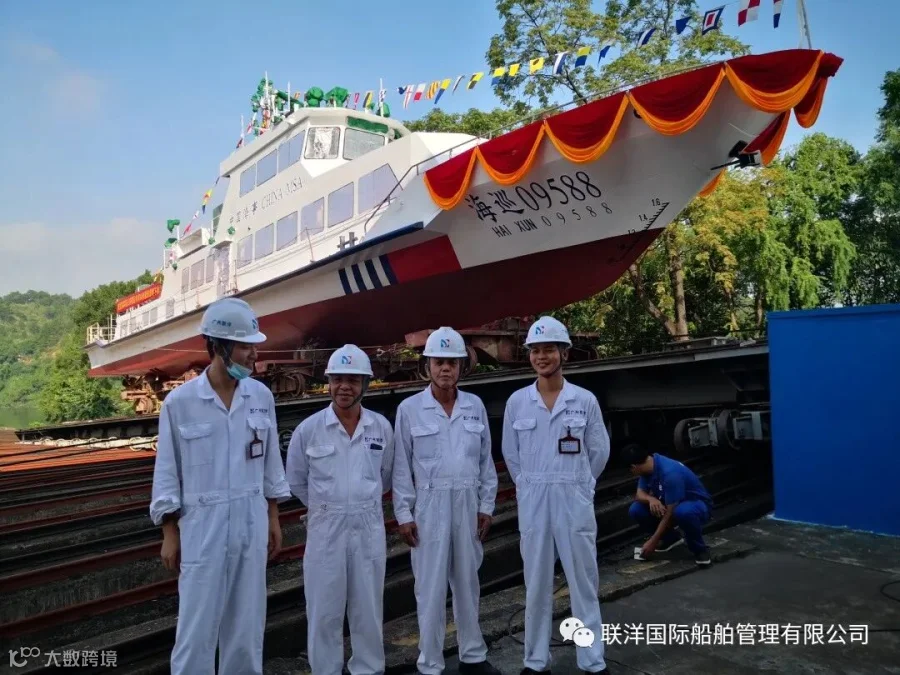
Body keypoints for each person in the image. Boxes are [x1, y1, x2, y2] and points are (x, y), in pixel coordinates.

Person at [149, 297, 291, 675]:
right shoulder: (180, 403)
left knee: (246, 626)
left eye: (253, 346)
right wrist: (169, 532)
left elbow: (270, 463)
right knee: (196, 627)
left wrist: (273, 518)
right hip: (202, 527)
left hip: (251, 520)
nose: (253, 354)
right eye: (245, 346)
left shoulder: (260, 397)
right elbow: (168, 471)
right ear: (218, 346)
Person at [501, 316, 611, 675]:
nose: (541, 356)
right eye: (535, 350)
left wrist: (581, 484)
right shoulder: (518, 402)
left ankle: (592, 661)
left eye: (549, 349)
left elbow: (599, 450)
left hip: (572, 496)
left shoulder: (584, 400)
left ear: (564, 353)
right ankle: (536, 662)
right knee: (536, 583)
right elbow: (511, 453)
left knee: (583, 581)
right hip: (534, 498)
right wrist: (527, 485)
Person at [393, 327, 501, 675]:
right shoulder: (410, 409)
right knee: (430, 589)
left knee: (468, 583)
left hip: (467, 505)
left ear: (461, 367)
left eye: (452, 363)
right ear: (427, 365)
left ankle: (473, 657)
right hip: (429, 507)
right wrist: (403, 514)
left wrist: (486, 507)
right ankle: (430, 663)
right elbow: (401, 467)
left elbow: (485, 461)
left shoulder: (474, 406)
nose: (445, 369)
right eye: (438, 362)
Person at [285, 344, 395, 675]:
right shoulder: (309, 430)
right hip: (325, 529)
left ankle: (368, 669)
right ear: (329, 382)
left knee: (368, 608)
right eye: (337, 379)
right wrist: (326, 507)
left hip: (367, 527)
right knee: (324, 610)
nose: (343, 387)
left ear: (365, 384)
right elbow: (297, 479)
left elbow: (386, 476)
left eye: (352, 380)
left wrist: (358, 501)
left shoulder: (380, 428)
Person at [623, 442, 714, 566]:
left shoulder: (669, 473)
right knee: (636, 510)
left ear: (634, 467)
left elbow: (670, 514)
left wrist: (653, 541)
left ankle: (700, 550)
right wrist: (651, 499)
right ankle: (670, 539)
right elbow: (639, 494)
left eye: (630, 470)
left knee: (682, 512)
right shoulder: (649, 466)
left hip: (695, 504)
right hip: (671, 503)